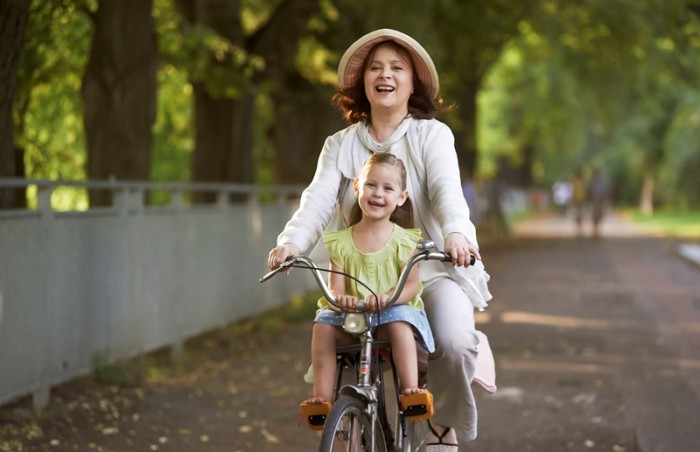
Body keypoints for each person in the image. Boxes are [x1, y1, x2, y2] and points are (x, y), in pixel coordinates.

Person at [267, 29, 493, 449]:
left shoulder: (432, 136)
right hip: (362, 278)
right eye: (375, 68)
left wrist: (457, 235)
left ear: (412, 83)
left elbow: (447, 193)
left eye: (396, 68)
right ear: (363, 83)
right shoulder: (340, 145)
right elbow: (316, 201)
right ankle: (349, 419)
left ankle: (441, 429)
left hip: (425, 271)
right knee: (335, 336)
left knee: (455, 342)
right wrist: (291, 243)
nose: (384, 75)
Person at [299, 152, 435, 428]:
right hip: (353, 318)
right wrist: (341, 300)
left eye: (388, 188)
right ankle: (322, 399)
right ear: (357, 187)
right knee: (322, 324)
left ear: (401, 197)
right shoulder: (341, 242)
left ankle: (411, 392)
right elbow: (334, 289)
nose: (378, 194)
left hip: (390, 314)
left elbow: (411, 285)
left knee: (399, 322)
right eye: (371, 185)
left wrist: (389, 297)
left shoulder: (404, 239)